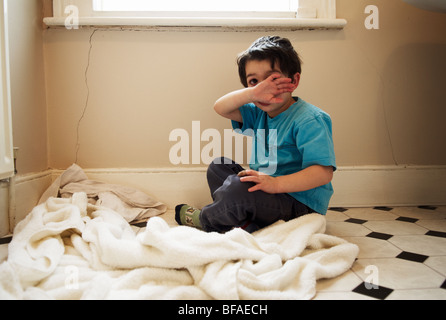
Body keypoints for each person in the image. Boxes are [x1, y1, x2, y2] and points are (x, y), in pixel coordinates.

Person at [176, 36, 336, 233]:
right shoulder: (258, 112)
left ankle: (207, 219)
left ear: (293, 81)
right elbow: (220, 107)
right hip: (265, 190)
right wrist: (252, 94)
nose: (264, 89)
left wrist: (275, 184)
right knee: (219, 166)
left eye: (272, 80)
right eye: (255, 82)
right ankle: (243, 222)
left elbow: (323, 173)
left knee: (237, 190)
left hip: (299, 203)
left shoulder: (309, 119)